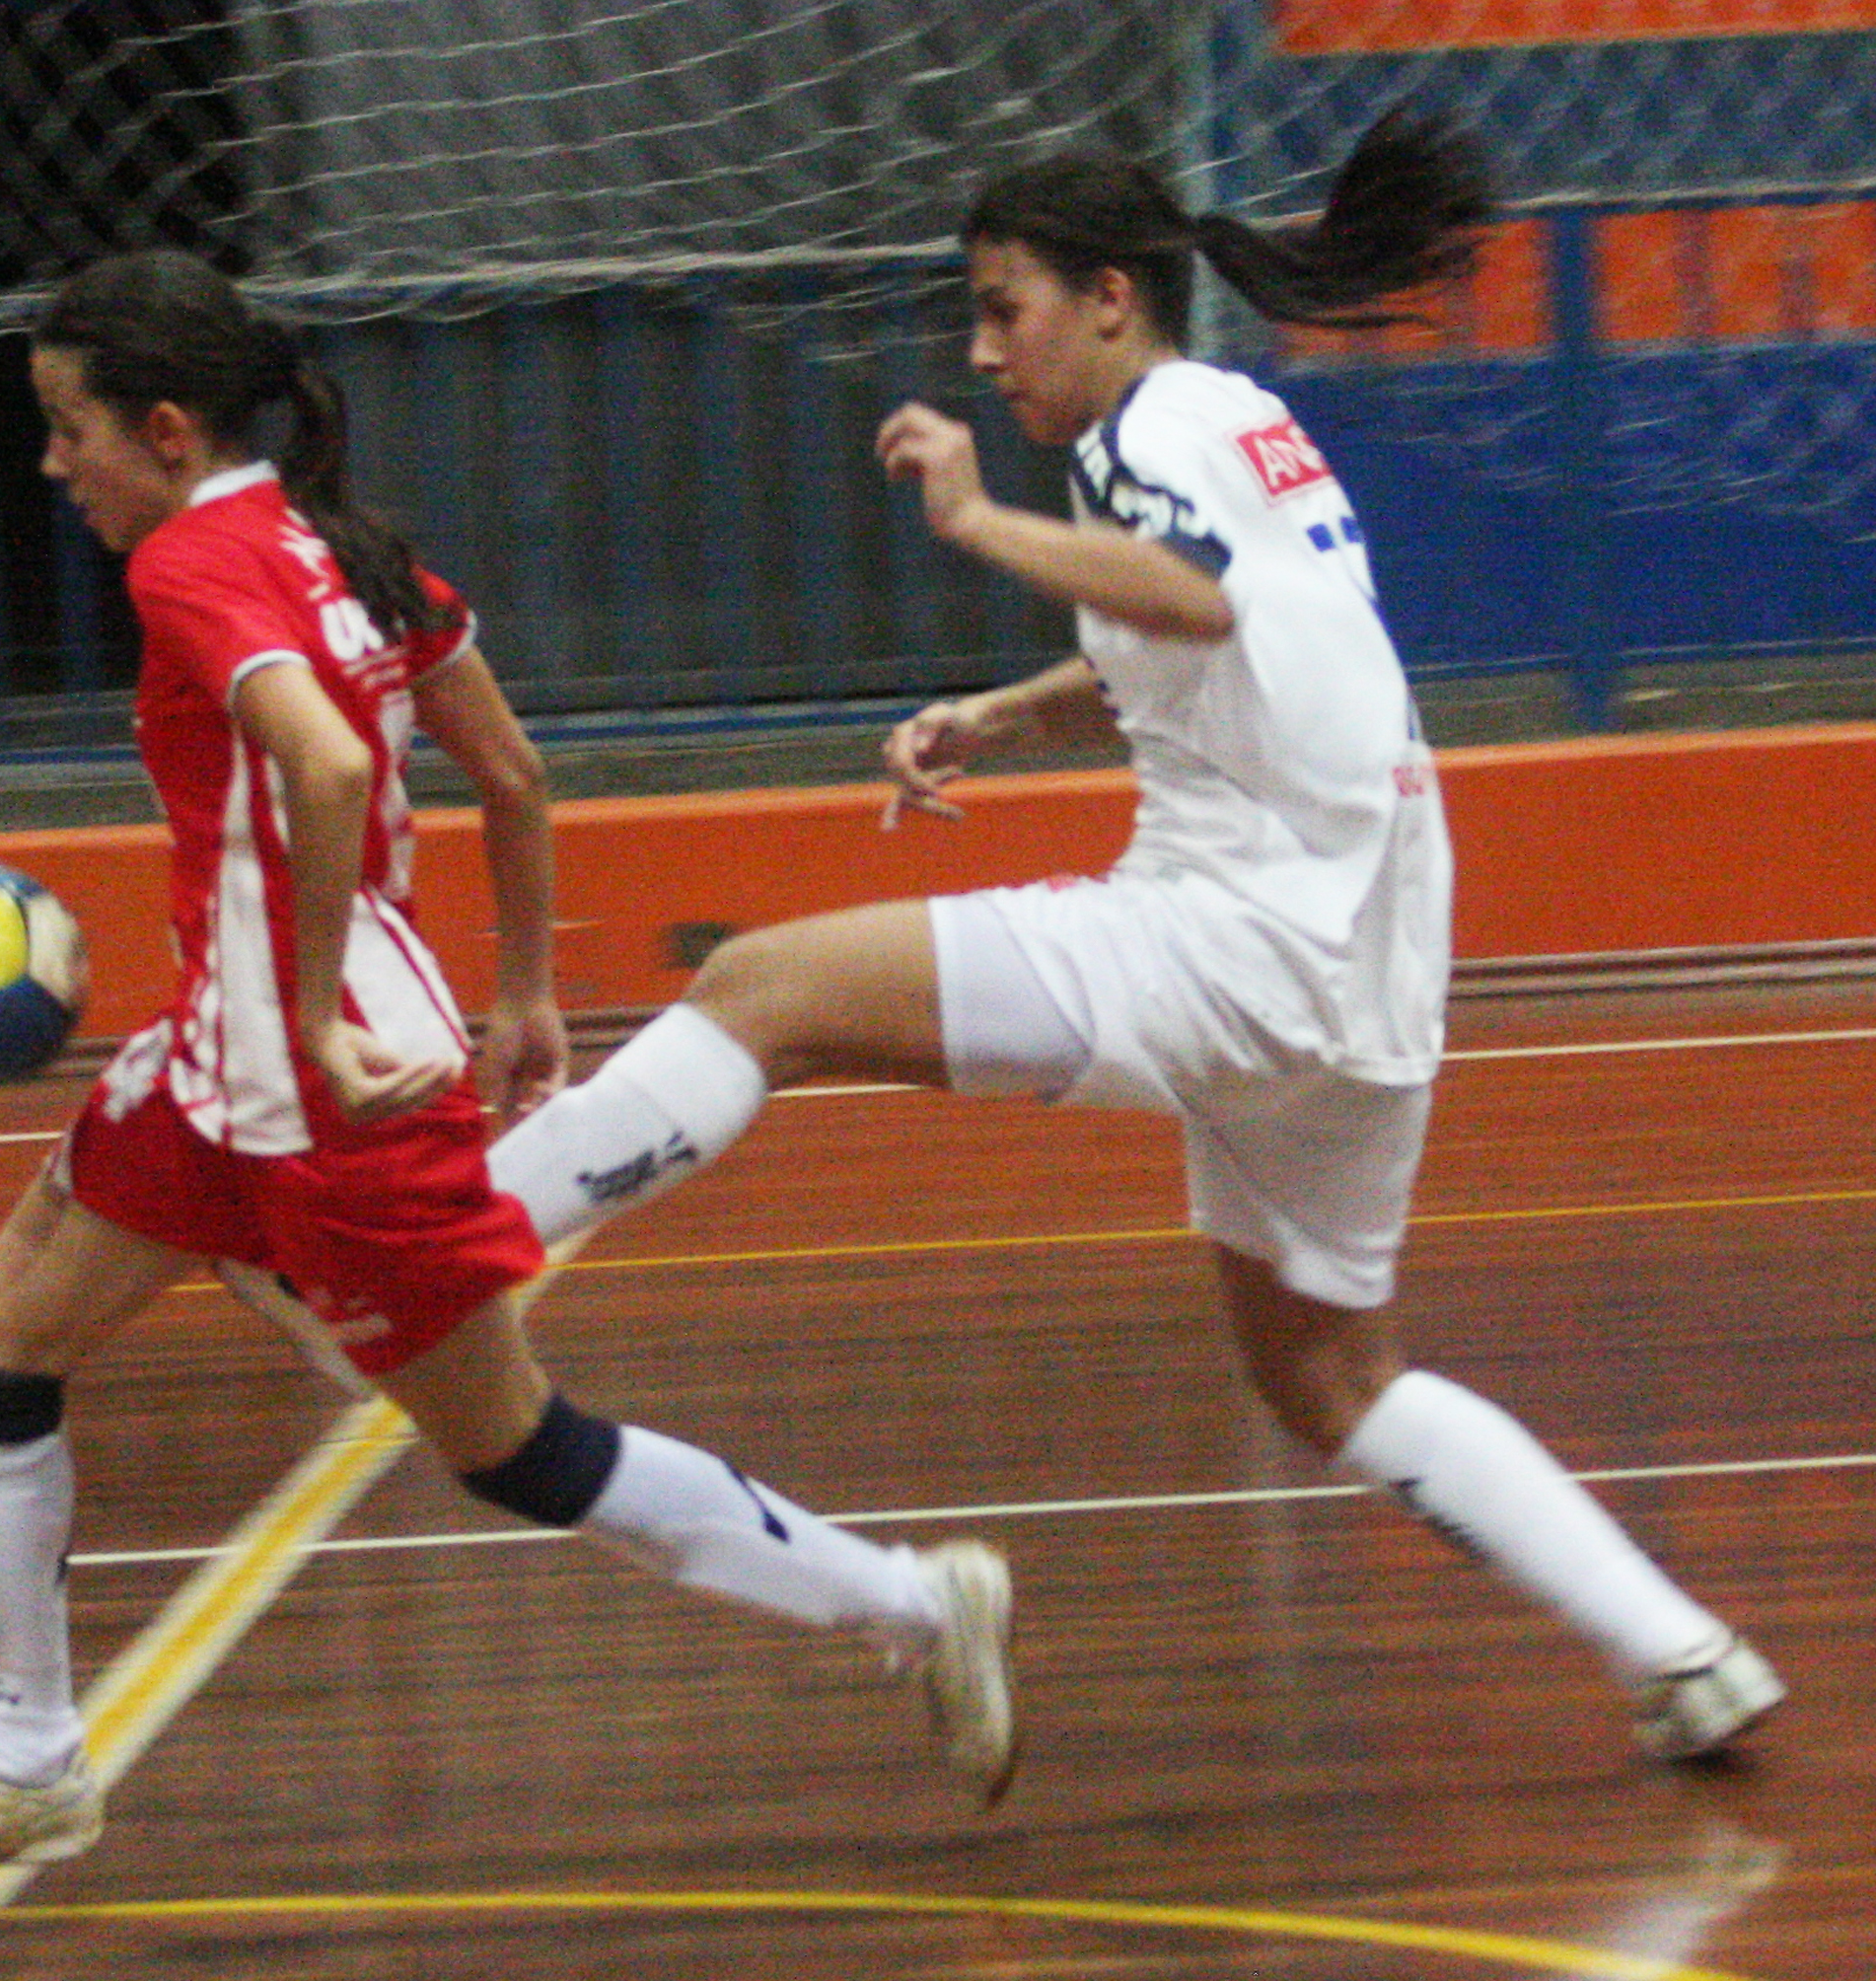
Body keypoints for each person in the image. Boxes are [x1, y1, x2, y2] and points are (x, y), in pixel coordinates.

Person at [483, 114, 1783, 1764]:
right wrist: (996, 713)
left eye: (997, 307)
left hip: (1237, 937)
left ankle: (446, 1244)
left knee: (763, 991)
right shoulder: (1240, 423)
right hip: (1365, 965)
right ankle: (1678, 1653)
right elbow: (1192, 644)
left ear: (1107, 299)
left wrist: (968, 518)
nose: (980, 349)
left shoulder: (1155, 430)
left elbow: (1191, 601)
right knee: (1326, 1381)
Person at [0, 251, 1014, 1890]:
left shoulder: (189, 566)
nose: (49, 464)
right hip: (221, 1067)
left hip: (322, 1092)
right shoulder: (341, 549)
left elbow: (317, 757)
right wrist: (520, 989)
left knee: (519, 1454)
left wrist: (309, 1013)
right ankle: (28, 1759)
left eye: (61, 427)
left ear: (163, 431)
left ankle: (909, 1602)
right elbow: (511, 775)